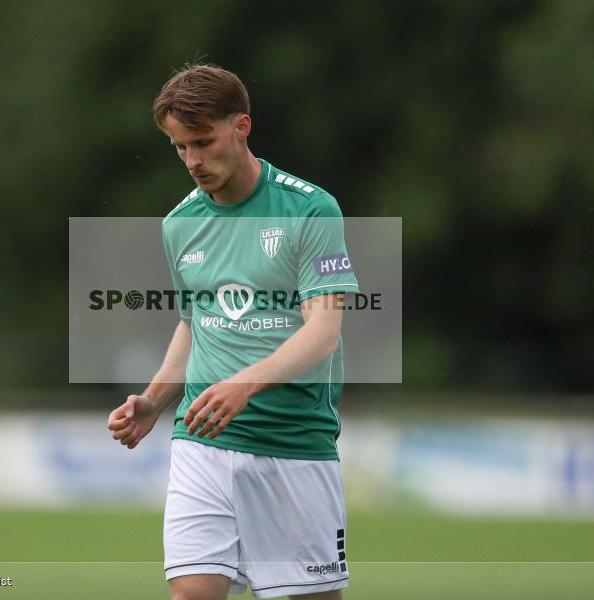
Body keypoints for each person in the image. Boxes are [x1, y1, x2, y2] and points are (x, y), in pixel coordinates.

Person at [108, 64, 358, 600]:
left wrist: (245, 384)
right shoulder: (180, 224)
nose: (193, 161)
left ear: (241, 127)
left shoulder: (311, 208)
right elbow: (196, 324)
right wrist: (154, 402)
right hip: (201, 440)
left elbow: (323, 334)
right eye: (179, 147)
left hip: (293, 444)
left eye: (203, 142)